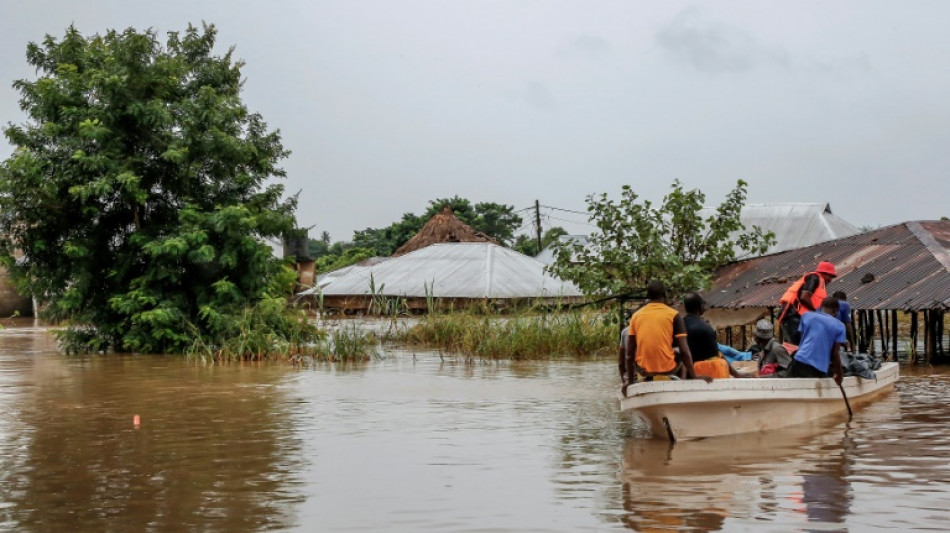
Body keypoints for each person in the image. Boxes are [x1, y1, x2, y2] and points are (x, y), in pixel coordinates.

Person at [622, 281, 712, 395]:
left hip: (643, 371)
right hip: (668, 370)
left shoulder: (636, 316)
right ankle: (682, 385)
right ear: (664, 296)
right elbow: (684, 351)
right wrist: (694, 376)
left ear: (648, 297)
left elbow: (629, 355)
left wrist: (630, 382)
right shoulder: (674, 314)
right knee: (681, 352)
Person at [784, 297, 846, 384]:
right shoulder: (840, 326)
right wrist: (840, 374)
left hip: (800, 359)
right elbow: (835, 354)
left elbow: (803, 339)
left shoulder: (806, 316)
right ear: (835, 311)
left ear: (821, 307)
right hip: (818, 367)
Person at [683, 292, 745, 378]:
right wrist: (737, 374)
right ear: (700, 306)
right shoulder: (705, 329)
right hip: (703, 378)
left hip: (682, 376)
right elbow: (717, 357)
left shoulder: (678, 327)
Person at [777, 261, 837, 345]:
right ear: (824, 273)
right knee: (800, 347)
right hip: (791, 315)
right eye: (830, 276)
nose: (830, 279)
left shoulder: (820, 284)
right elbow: (804, 297)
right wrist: (816, 312)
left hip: (798, 318)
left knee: (804, 346)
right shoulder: (814, 277)